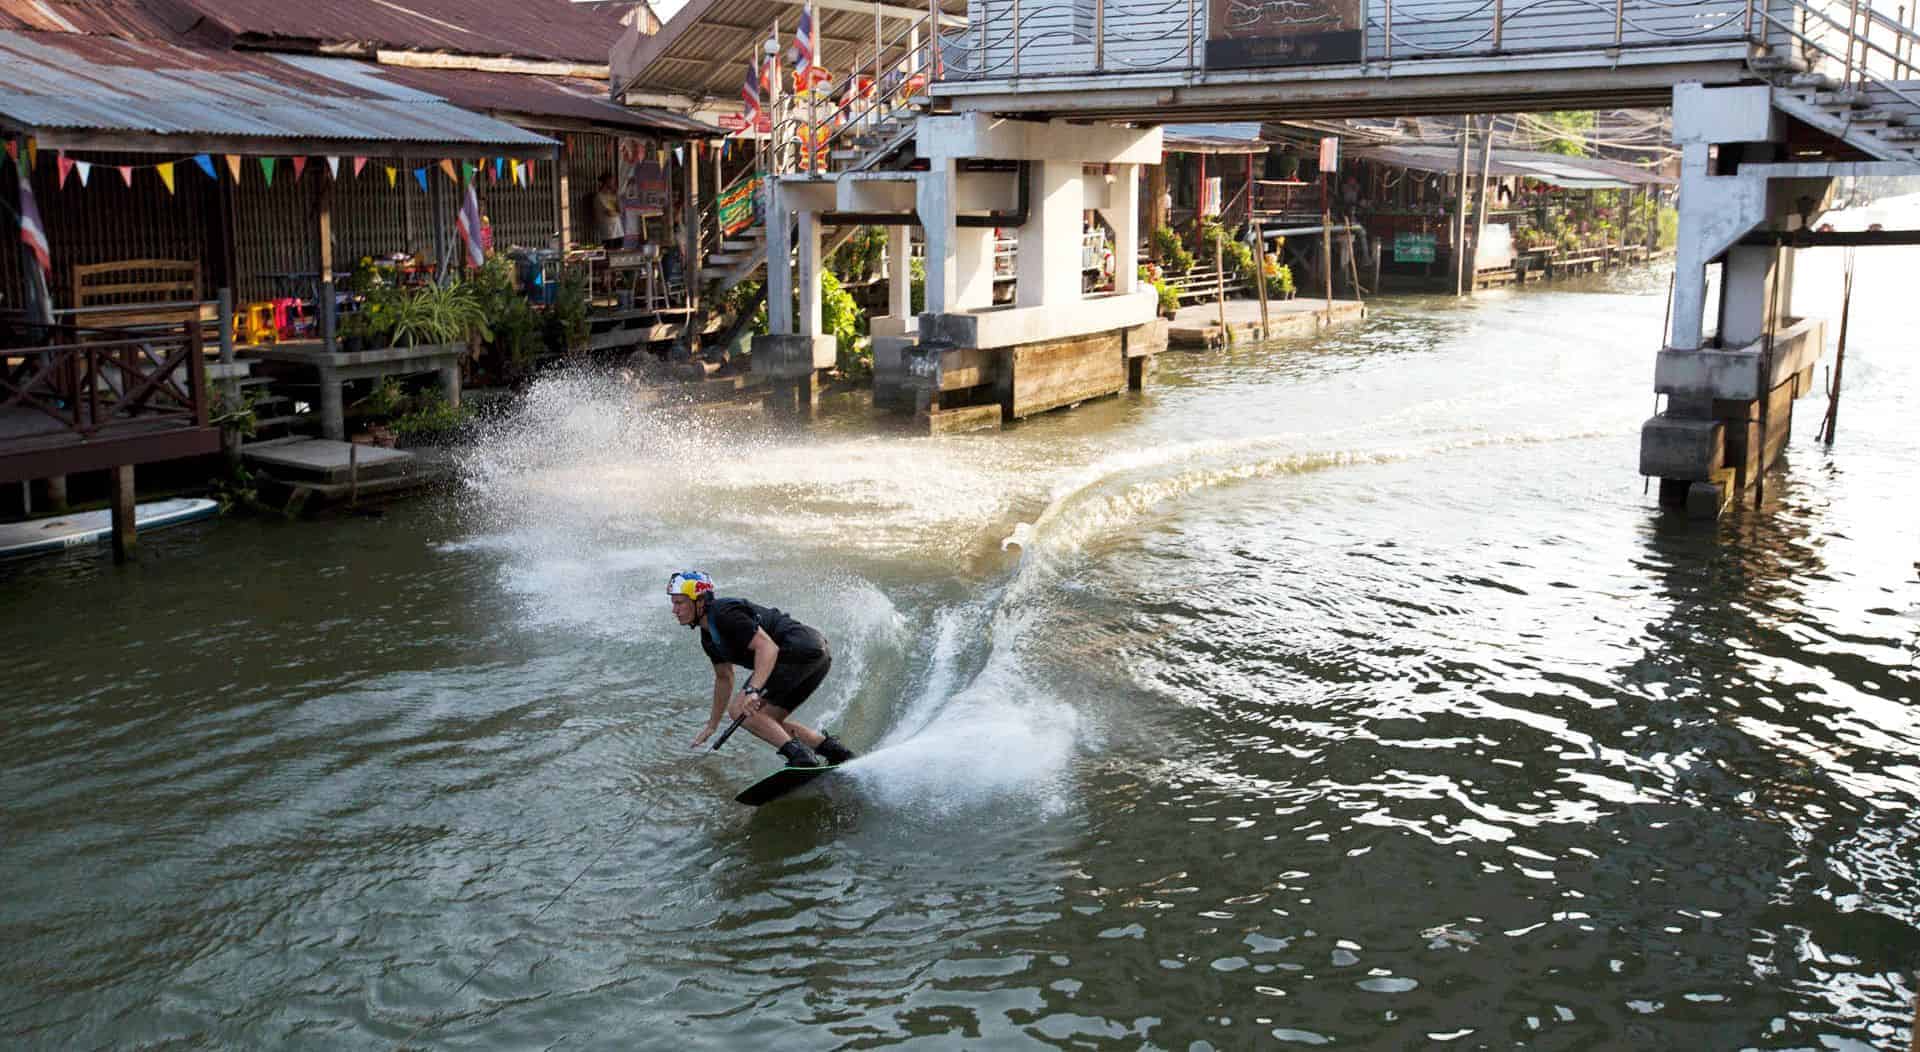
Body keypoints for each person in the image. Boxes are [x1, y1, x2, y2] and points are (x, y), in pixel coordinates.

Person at [669, 571, 857, 768]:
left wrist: (753, 690)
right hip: (815, 656)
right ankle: (836, 753)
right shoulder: (708, 638)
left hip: (799, 648)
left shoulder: (724, 613)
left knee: (739, 709)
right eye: (673, 603)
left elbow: (767, 647)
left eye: (680, 603)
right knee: (767, 722)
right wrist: (712, 725)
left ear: (700, 601)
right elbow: (724, 678)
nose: (675, 610)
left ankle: (802, 758)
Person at [594, 172, 623, 249]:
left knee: (620, 252)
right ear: (607, 182)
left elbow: (620, 210)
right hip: (608, 233)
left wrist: (617, 196)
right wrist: (618, 213)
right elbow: (610, 213)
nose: (614, 184)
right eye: (612, 181)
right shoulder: (599, 197)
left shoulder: (612, 196)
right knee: (610, 253)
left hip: (618, 231)